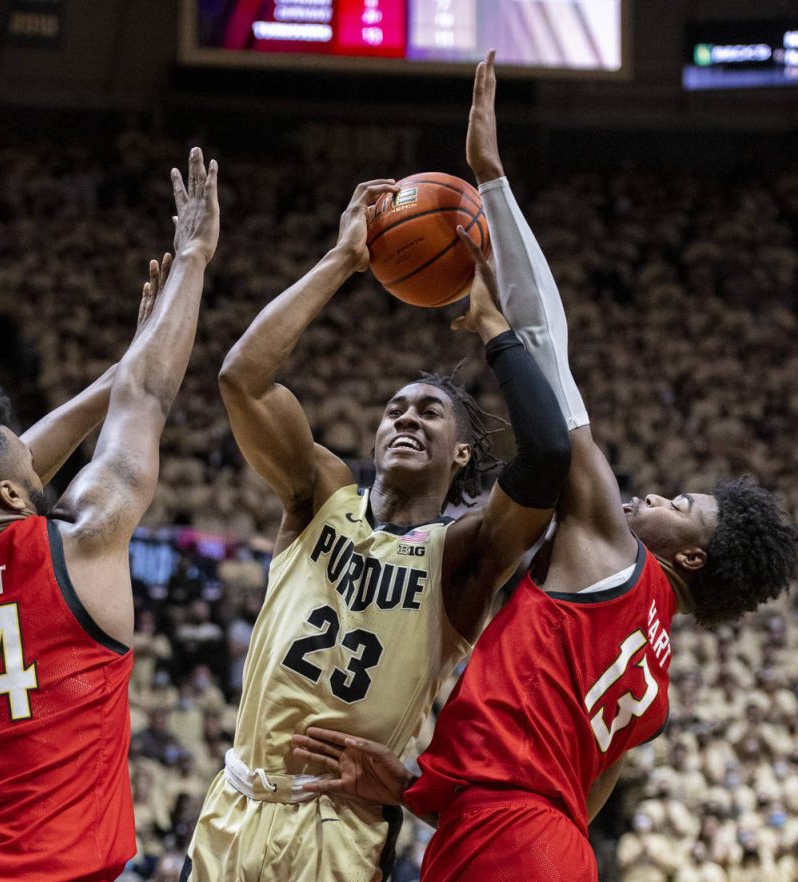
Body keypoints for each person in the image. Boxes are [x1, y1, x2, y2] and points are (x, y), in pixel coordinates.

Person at [291, 52, 798, 882]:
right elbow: (556, 798)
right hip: (543, 844)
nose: (653, 495)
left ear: (689, 556)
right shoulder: (653, 692)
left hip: (508, 845)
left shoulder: (615, 556)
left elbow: (550, 361)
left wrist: (491, 186)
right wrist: (412, 789)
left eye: (679, 504)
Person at [183, 179, 573, 881]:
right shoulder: (320, 495)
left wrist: (494, 331)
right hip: (233, 810)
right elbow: (242, 379)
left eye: (429, 412)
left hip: (339, 829)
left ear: (461, 454)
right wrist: (342, 260)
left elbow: (546, 455)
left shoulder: (462, 552)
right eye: (396, 410)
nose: (407, 417)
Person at [0, 148, 220, 882]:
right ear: (9, 495)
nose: (38, 460)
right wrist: (193, 257)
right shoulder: (81, 545)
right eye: (25, 463)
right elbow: (148, 399)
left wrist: (118, 373)